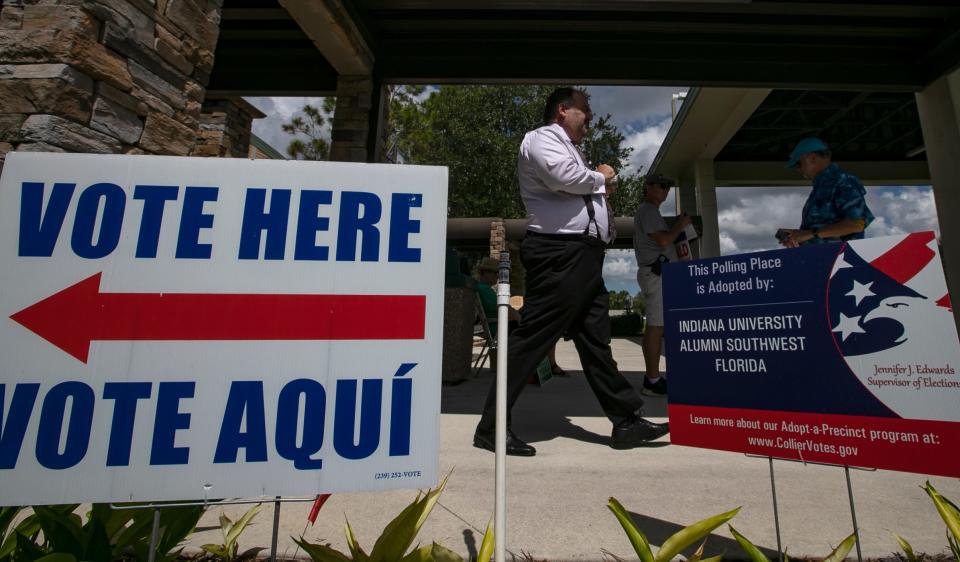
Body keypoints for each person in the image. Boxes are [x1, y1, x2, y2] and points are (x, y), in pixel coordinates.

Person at [473, 87, 669, 457]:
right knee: (532, 338)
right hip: (559, 253)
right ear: (563, 110)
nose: (590, 118)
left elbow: (578, 188)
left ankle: (626, 420)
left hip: (582, 256)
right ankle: (491, 427)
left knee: (595, 339)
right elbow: (563, 177)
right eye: (585, 110)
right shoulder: (542, 138)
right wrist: (602, 177)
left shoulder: (573, 149)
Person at [632, 174, 691, 397]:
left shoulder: (651, 212)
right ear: (648, 188)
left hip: (659, 272)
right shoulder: (647, 210)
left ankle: (654, 377)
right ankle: (652, 380)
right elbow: (664, 240)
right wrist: (680, 225)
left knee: (659, 325)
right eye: (662, 186)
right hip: (655, 272)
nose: (666, 190)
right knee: (656, 326)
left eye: (669, 187)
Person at [779, 137, 874, 246]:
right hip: (820, 259)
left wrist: (809, 234)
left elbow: (857, 224)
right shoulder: (821, 188)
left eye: (798, 164)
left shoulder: (842, 180)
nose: (798, 169)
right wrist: (798, 237)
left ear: (812, 158)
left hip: (839, 259)